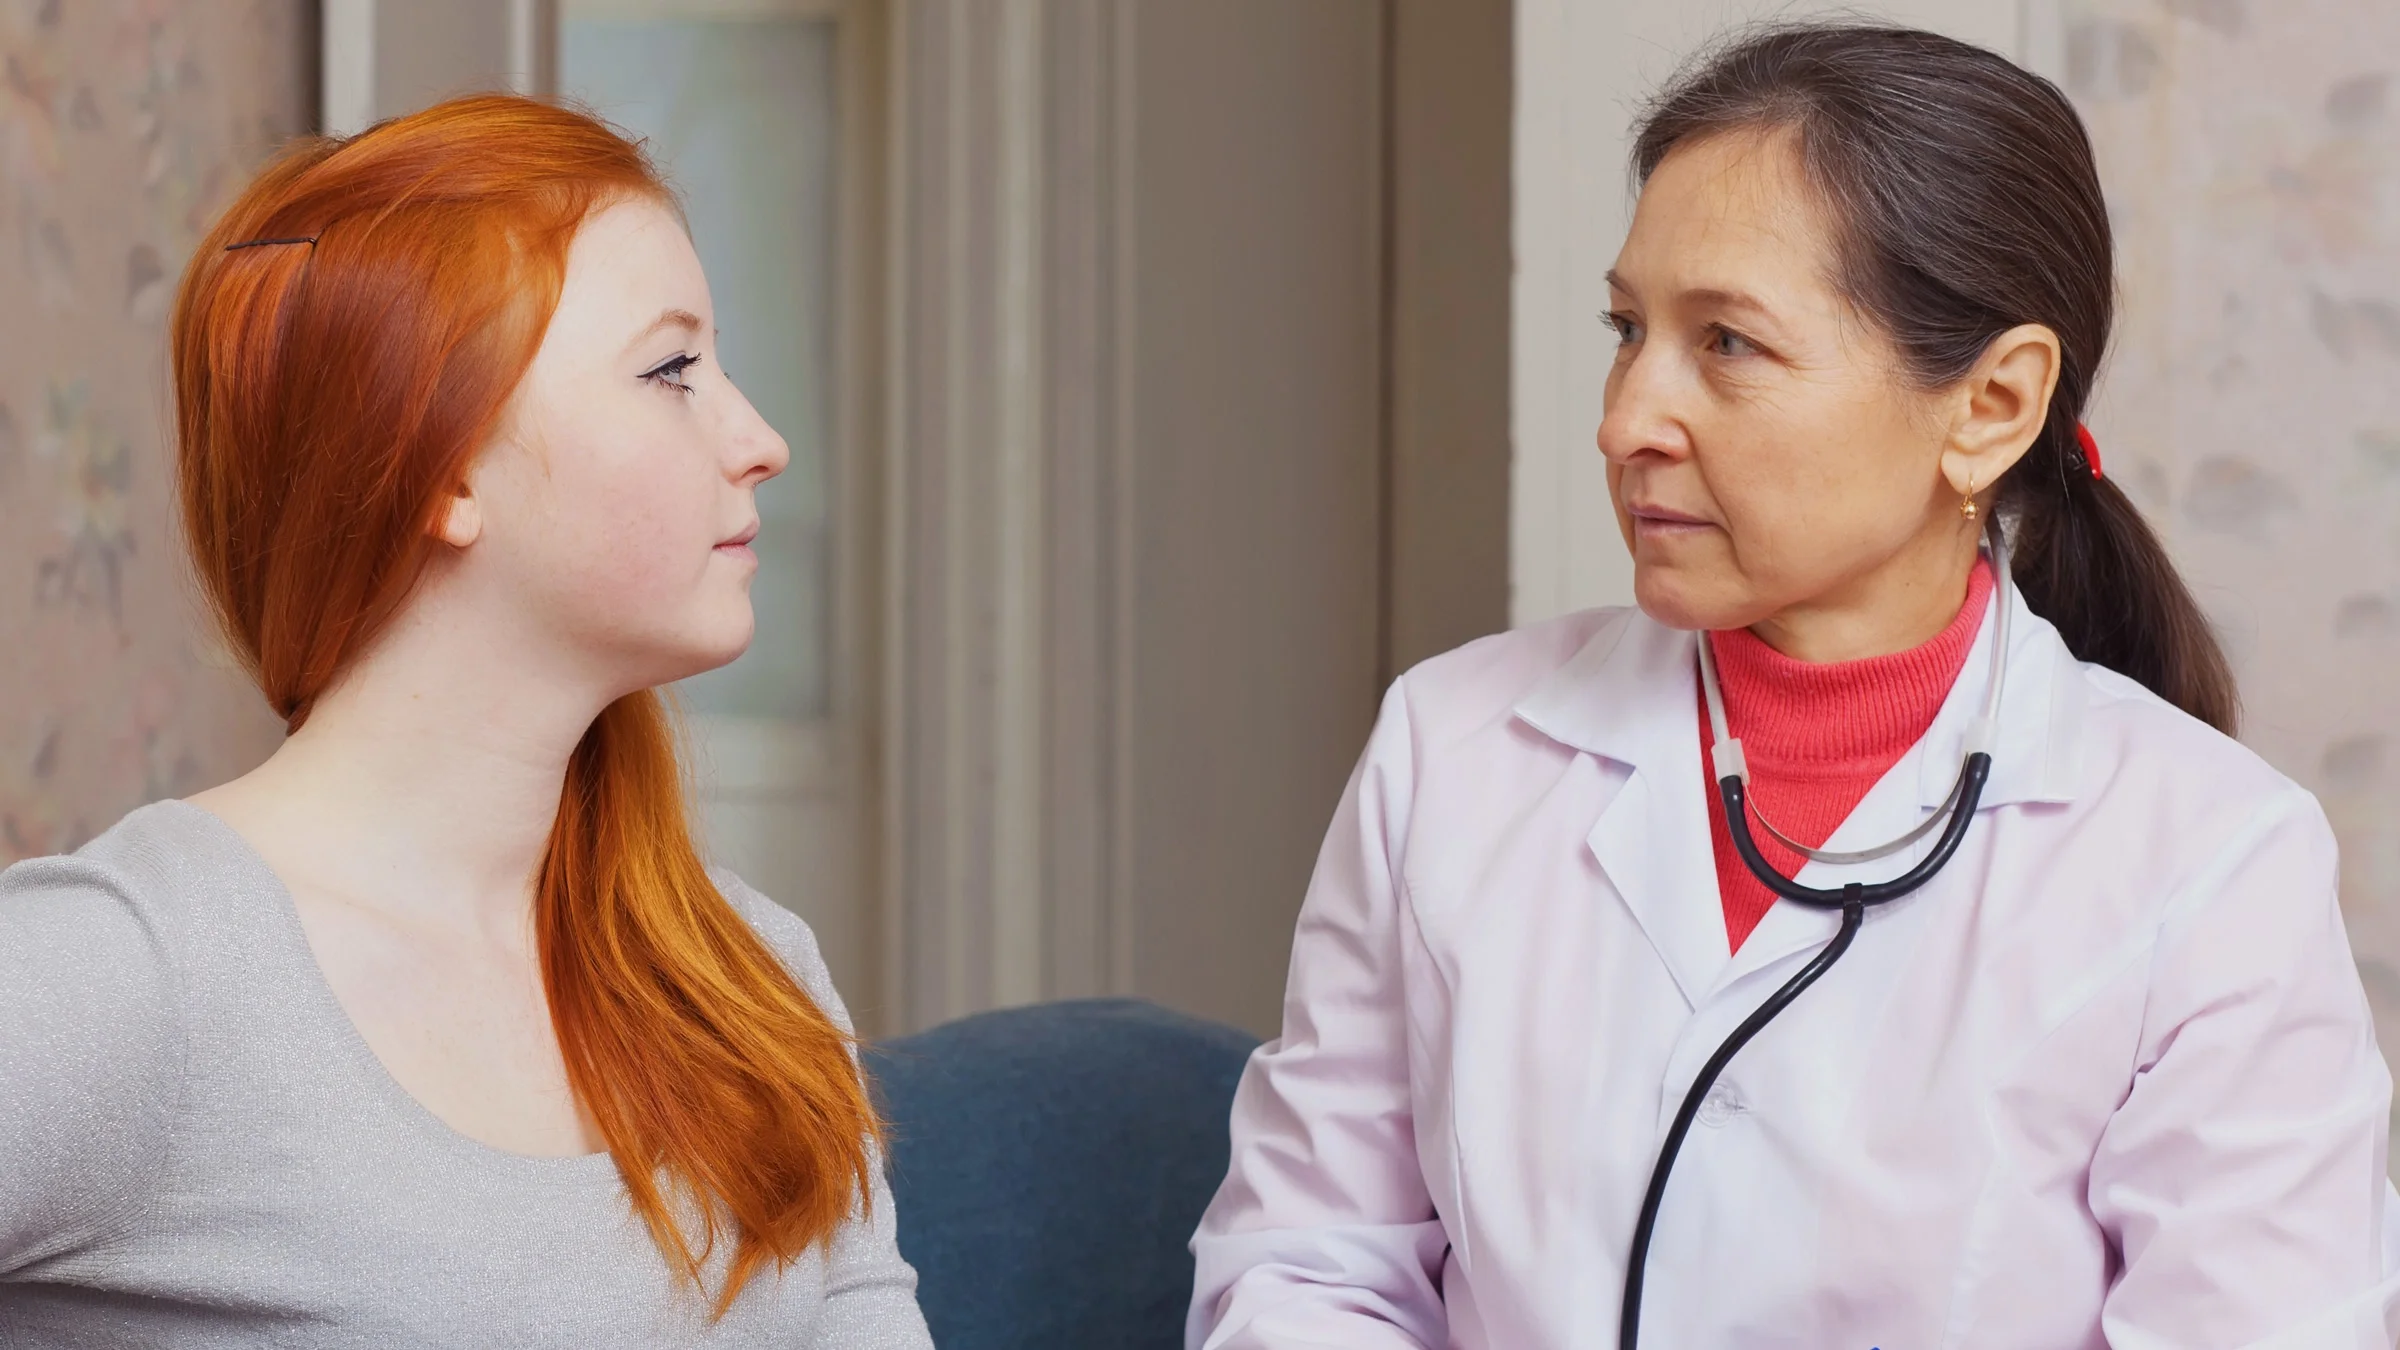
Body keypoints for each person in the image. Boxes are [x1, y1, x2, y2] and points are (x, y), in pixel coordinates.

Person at [1188, 23, 2400, 1350]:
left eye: (1727, 343)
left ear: (1991, 405)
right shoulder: (1455, 750)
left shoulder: (2211, 862)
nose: (1627, 417)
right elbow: (1303, 1267)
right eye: (1627, 328)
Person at [0, 95, 930, 1347]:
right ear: (439, 466)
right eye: (671, 369)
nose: (759, 440)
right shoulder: (125, 978)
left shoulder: (753, 977)